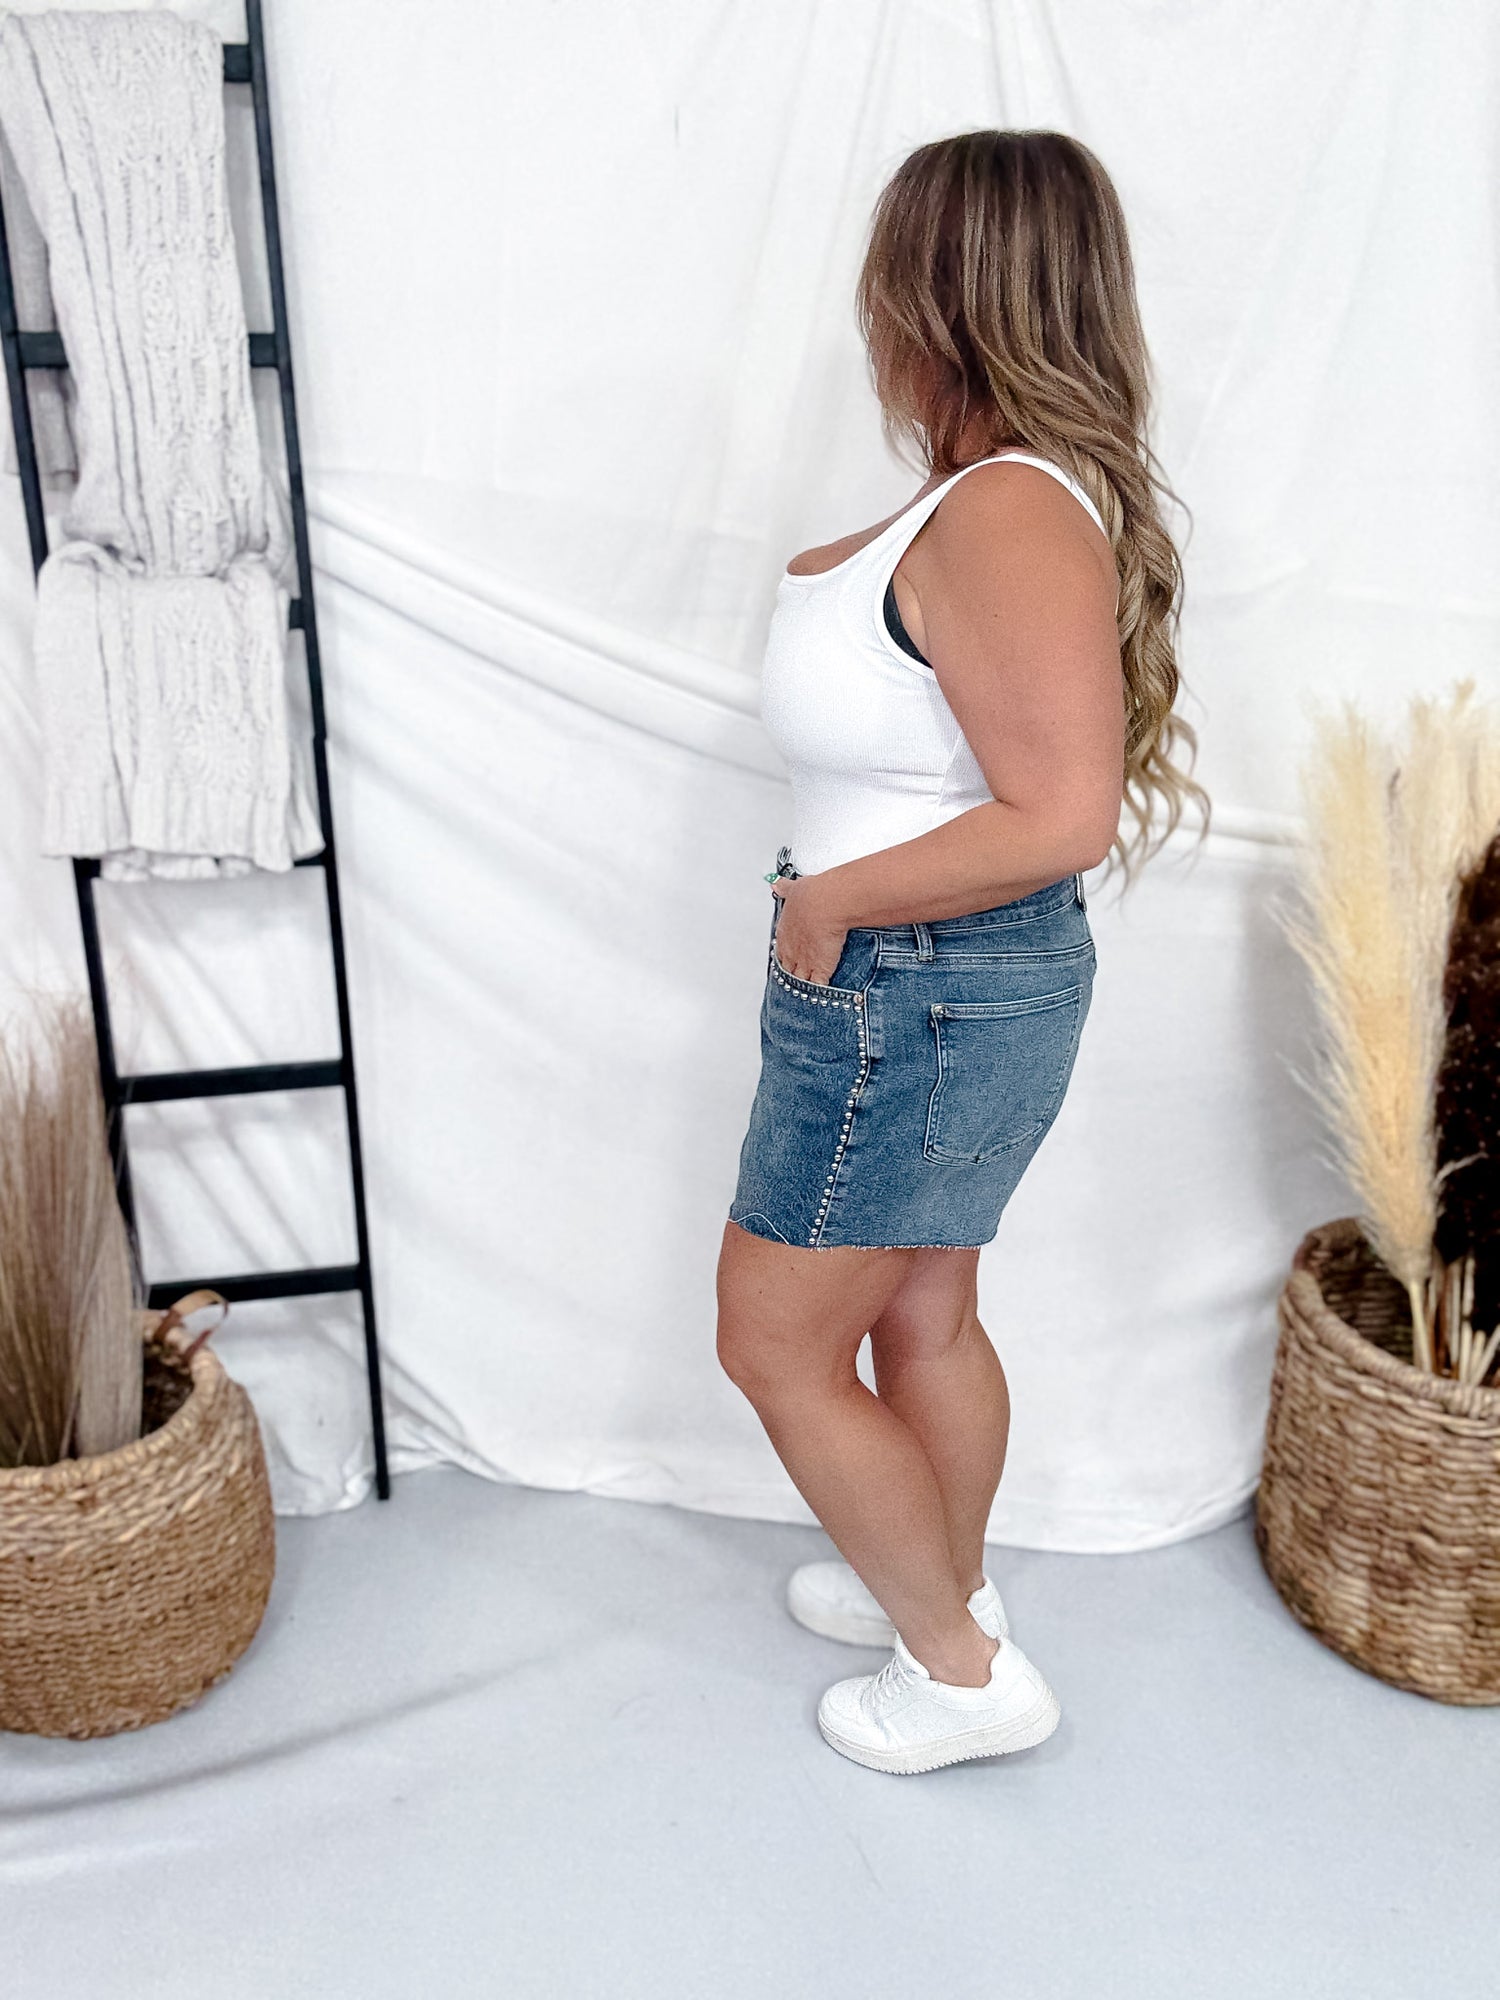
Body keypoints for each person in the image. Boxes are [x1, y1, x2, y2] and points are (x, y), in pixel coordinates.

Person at [715, 129, 1209, 1775]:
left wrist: (826, 905)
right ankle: (944, 1581)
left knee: (773, 1339)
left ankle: (959, 1675)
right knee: (922, 1311)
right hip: (946, 986)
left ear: (930, 288)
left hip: (912, 985)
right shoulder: (1001, 500)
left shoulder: (1004, 512)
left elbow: (1063, 812)